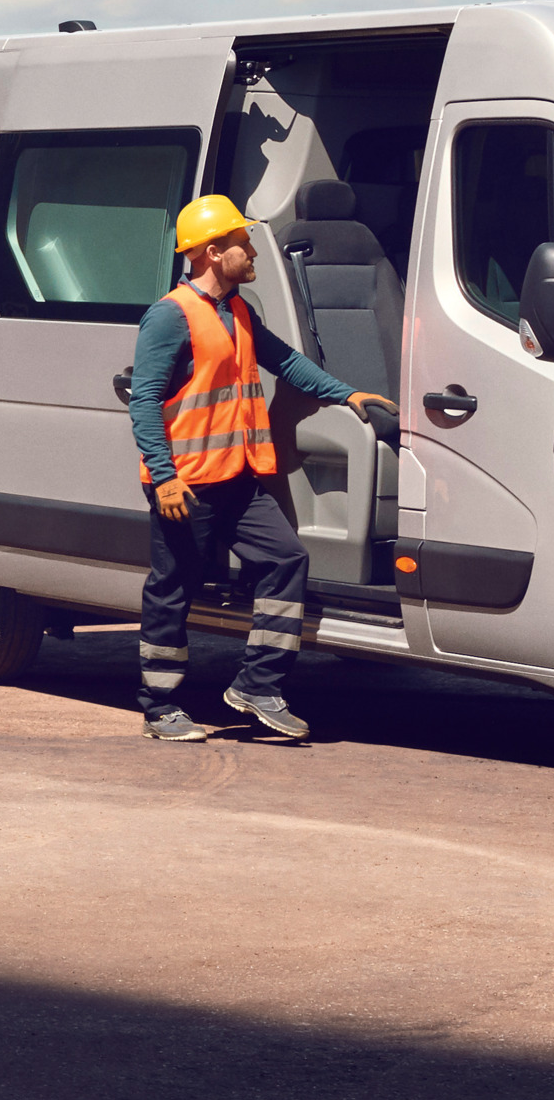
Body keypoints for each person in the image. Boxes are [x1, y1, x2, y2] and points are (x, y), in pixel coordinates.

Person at [134, 196, 392, 748]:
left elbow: (289, 363)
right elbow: (145, 401)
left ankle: (258, 685)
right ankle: (159, 705)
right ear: (211, 252)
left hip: (237, 478)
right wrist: (165, 477)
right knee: (173, 588)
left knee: (286, 559)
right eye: (243, 244)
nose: (252, 252)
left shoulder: (239, 310)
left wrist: (348, 396)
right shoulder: (169, 316)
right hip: (187, 485)